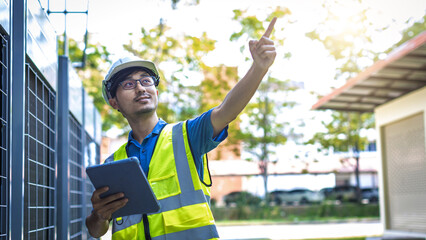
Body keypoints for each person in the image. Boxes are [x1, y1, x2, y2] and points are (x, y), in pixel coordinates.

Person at [86, 17, 277, 240]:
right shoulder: (113, 165)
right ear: (114, 102)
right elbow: (96, 230)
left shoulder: (188, 136)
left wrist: (258, 68)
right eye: (128, 84)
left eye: (146, 81)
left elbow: (227, 110)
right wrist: (98, 216)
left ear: (156, 92)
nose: (140, 88)